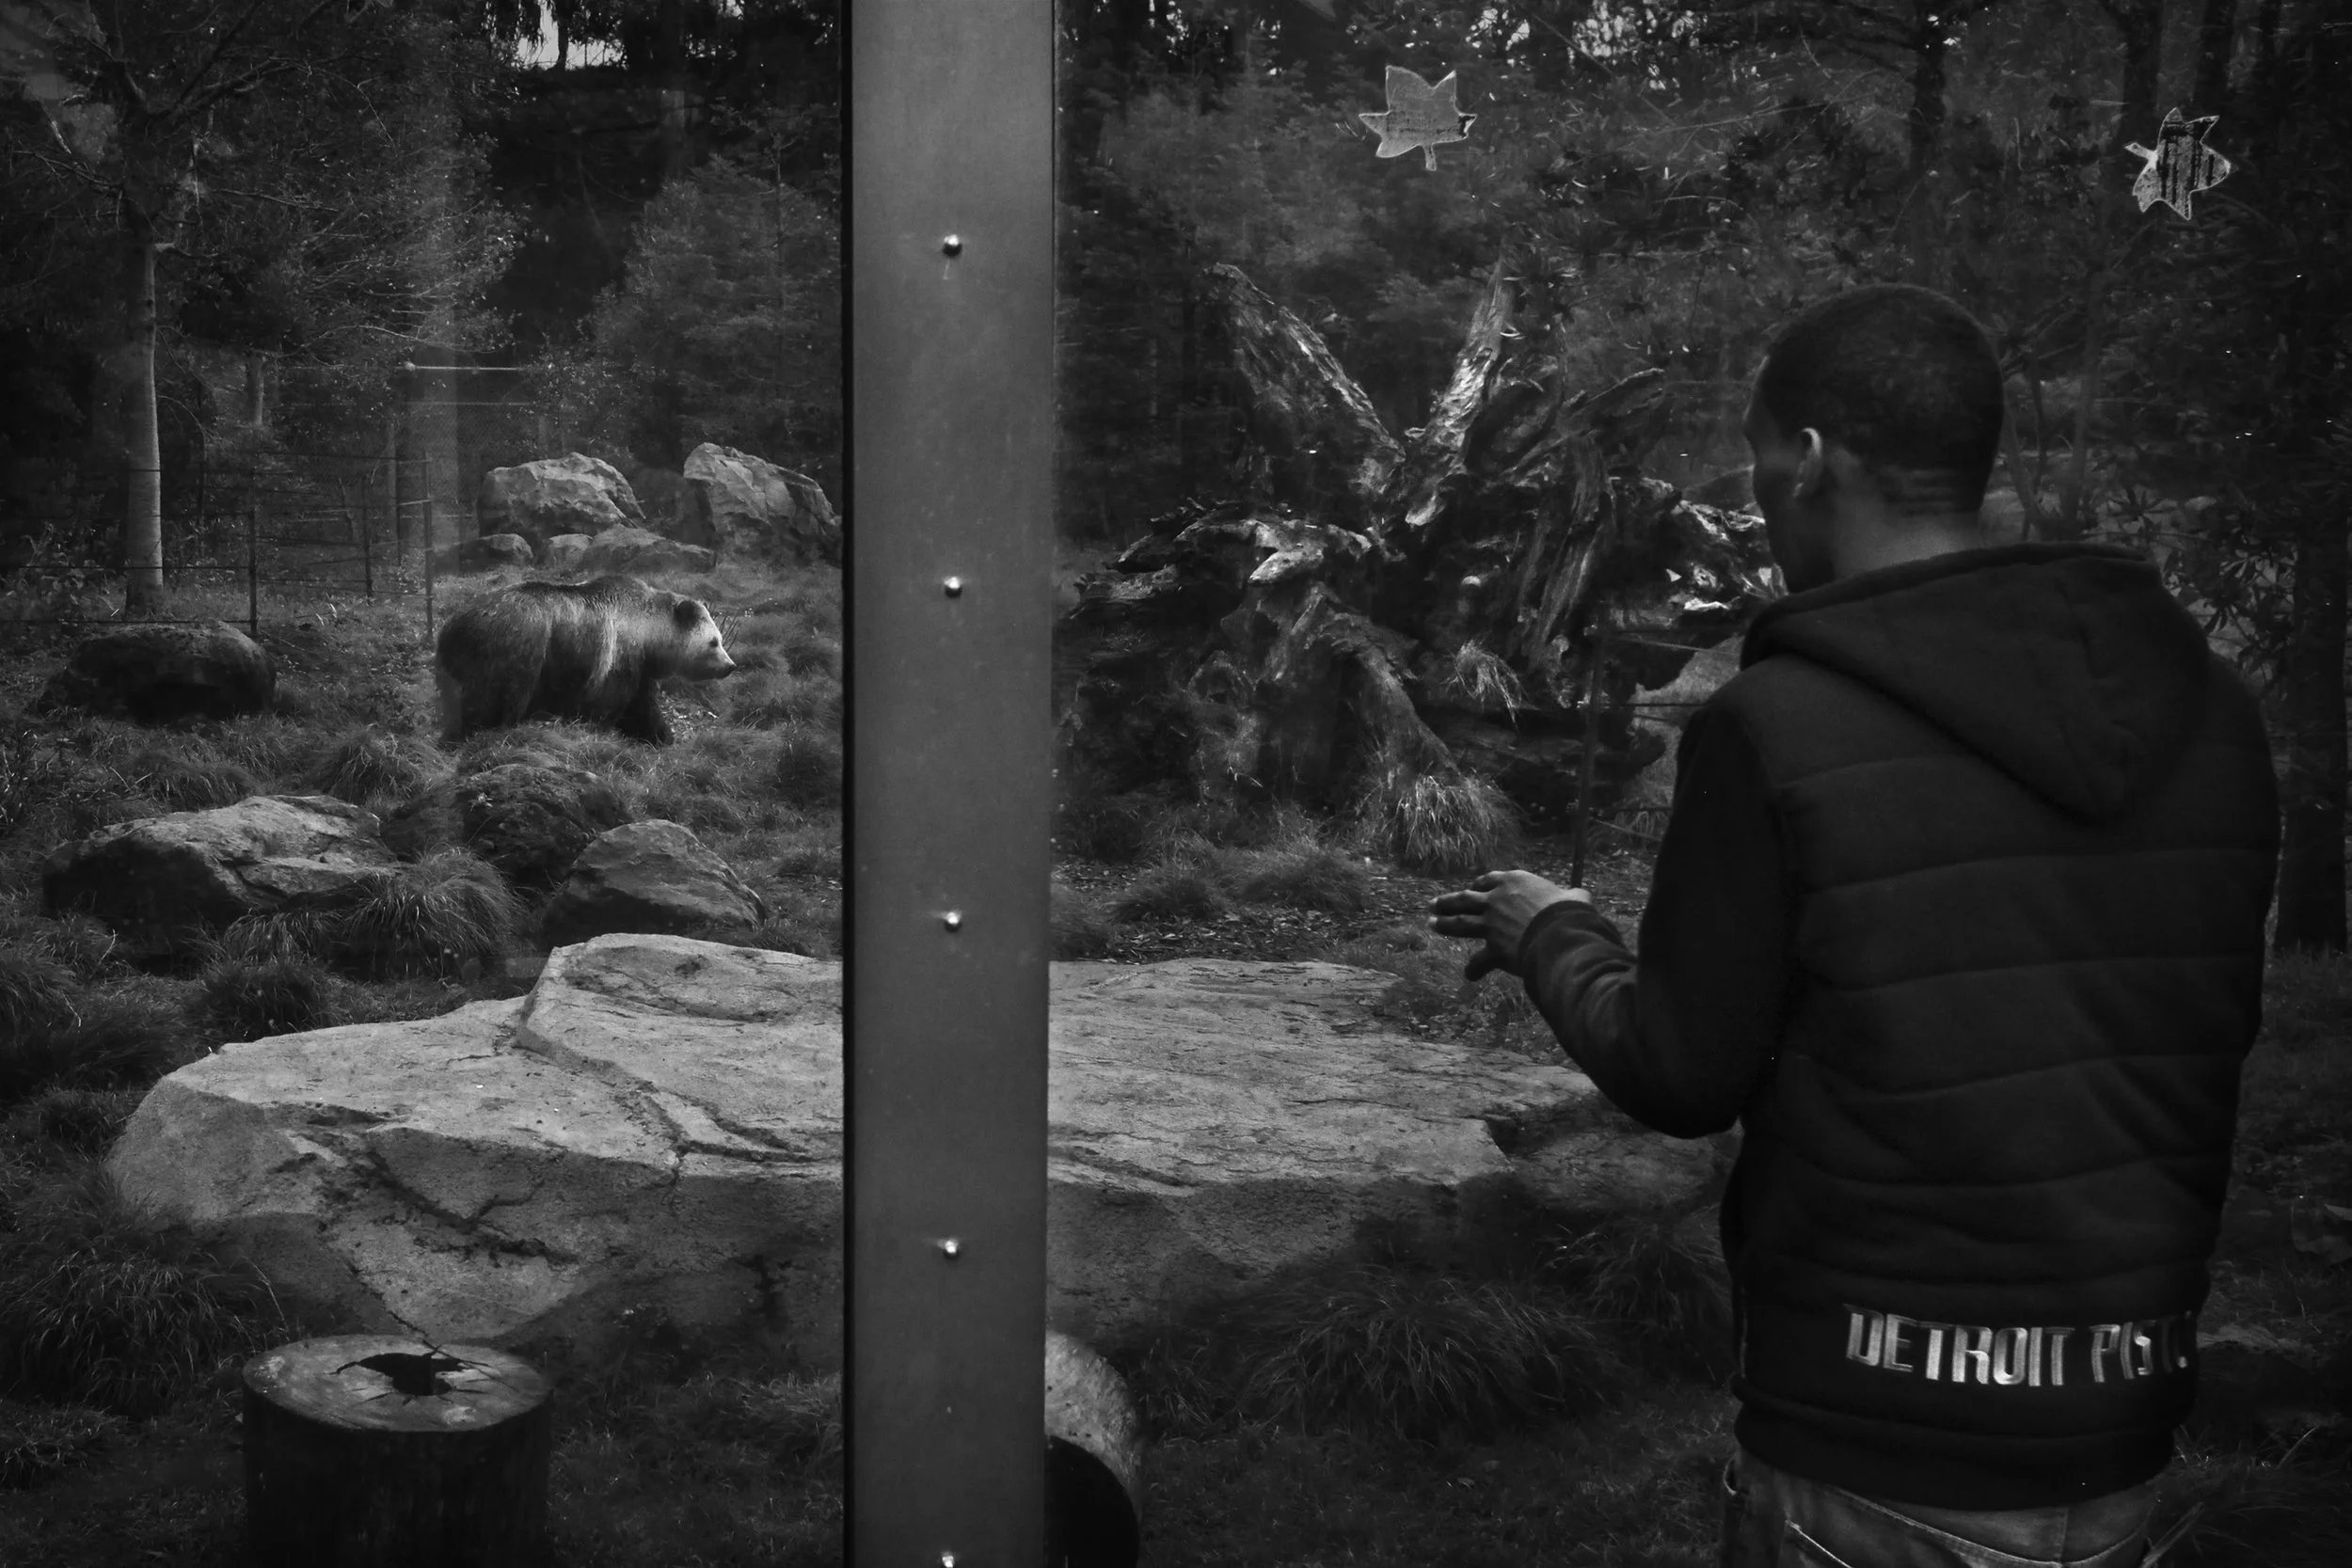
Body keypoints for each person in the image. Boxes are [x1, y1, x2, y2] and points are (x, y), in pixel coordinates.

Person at [1431, 283, 2281, 1568]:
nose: (1760, 486)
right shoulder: (2213, 716)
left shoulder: (1776, 728)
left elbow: (1683, 1066)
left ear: (1809, 457)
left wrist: (1554, 931)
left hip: (1873, 1448)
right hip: (2128, 1437)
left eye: (1762, 454)